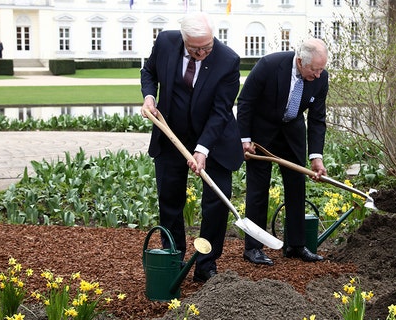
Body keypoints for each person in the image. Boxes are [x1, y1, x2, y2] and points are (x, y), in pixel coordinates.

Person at [140, 11, 243, 283]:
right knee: (170, 199)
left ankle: (206, 264)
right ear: (184, 39)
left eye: (208, 46)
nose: (204, 53)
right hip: (171, 133)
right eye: (197, 49)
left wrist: (203, 149)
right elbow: (148, 71)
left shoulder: (228, 60)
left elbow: (221, 111)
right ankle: (173, 254)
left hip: (215, 140)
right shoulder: (165, 42)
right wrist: (150, 97)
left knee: (215, 204)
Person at [237, 38, 329, 265]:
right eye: (315, 69)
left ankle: (295, 245)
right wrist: (245, 138)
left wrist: (316, 156)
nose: (318, 75)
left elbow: (317, 119)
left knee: (297, 185)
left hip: (292, 131)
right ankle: (253, 248)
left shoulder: (320, 77)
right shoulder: (269, 65)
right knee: (258, 189)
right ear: (300, 61)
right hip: (262, 132)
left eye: (321, 69)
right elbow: (246, 101)